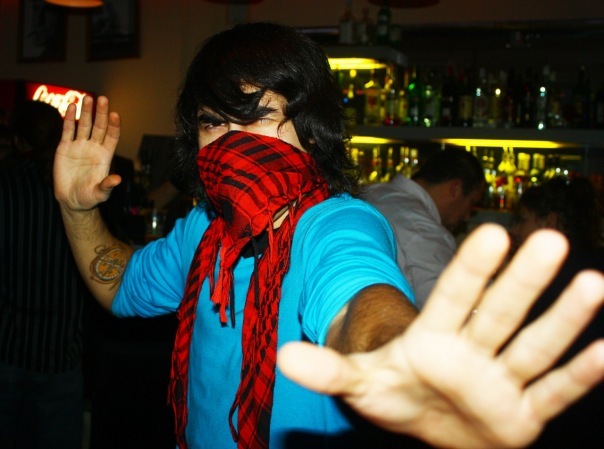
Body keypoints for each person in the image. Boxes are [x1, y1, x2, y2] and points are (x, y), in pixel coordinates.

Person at [53, 22, 604, 449]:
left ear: (312, 134)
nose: (232, 143)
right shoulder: (203, 228)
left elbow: (359, 300)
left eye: (258, 116)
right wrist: (77, 208)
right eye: (213, 123)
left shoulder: (336, 223)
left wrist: (399, 357)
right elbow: (118, 285)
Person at [0, 101, 92, 449]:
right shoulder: (81, 188)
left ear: (19, 139)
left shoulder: (5, 183)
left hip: (7, 347)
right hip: (61, 351)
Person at [509, 176, 604, 448]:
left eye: (522, 220)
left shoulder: (541, 280)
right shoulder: (595, 266)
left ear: (549, 222)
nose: (515, 230)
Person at [360, 148, 484, 308]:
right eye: (472, 202)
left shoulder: (373, 192)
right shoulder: (426, 233)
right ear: (455, 189)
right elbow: (443, 308)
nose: (467, 216)